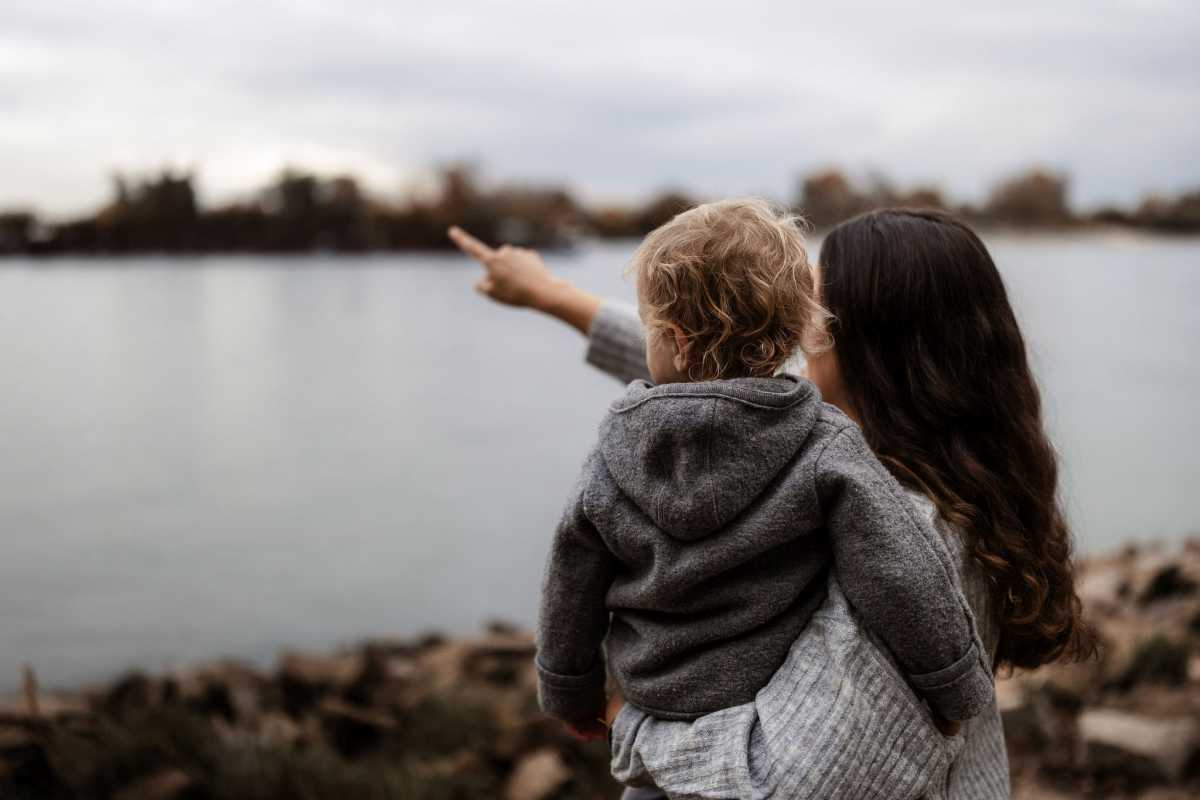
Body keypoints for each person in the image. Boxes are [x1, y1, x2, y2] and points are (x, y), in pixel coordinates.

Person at [448, 207, 1095, 799]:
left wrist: (631, 722)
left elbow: (786, 780)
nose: (781, 337)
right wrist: (548, 294)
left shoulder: (915, 527)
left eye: (803, 314)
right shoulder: (861, 454)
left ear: (864, 341)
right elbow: (706, 388)